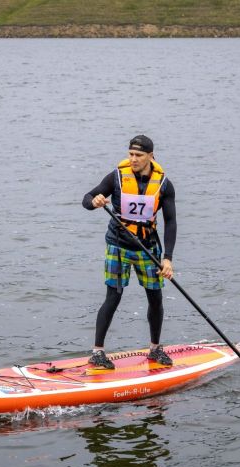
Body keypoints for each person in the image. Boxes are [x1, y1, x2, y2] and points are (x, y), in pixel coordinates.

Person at [82, 135, 177, 369]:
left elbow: (171, 221)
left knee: (155, 298)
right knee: (113, 296)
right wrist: (94, 202)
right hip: (118, 244)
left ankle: (155, 349)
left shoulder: (164, 184)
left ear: (151, 156)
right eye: (131, 154)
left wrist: (168, 259)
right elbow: (86, 198)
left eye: (139, 155)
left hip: (148, 247)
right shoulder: (116, 177)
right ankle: (97, 353)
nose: (133, 159)